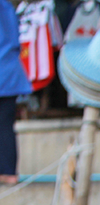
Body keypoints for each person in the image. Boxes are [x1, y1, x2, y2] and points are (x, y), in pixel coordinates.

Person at [0, 0, 32, 185]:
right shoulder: (6, 6)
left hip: (6, 71)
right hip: (9, 71)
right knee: (5, 125)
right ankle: (9, 172)